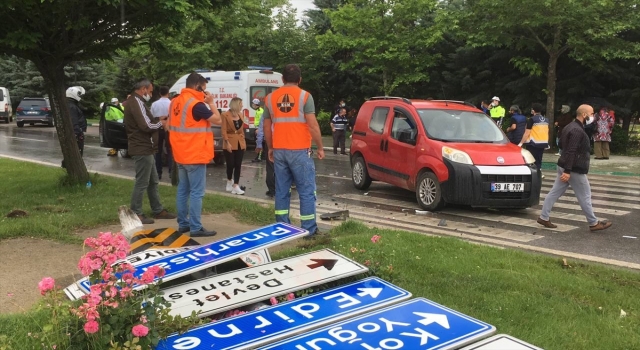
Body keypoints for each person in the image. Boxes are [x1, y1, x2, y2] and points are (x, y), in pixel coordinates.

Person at [263, 64, 325, 237]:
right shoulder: (305, 97)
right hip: (299, 151)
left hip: (280, 150)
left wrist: (270, 148)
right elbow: (312, 125)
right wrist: (320, 147)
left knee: (282, 190)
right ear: (300, 79)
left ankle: (282, 228)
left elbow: (267, 127)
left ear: (282, 79)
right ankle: (309, 230)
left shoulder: (269, 98)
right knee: (306, 191)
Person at [537, 104, 612, 232]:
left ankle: (543, 217)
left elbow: (561, 144)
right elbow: (571, 150)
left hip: (564, 165)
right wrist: (567, 171)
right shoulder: (577, 130)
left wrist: (565, 168)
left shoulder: (569, 126)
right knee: (585, 195)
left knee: (555, 192)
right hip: (573, 169)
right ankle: (593, 223)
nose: (593, 116)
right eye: (592, 113)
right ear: (584, 115)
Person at [168, 73, 222, 237]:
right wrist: (211, 103)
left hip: (180, 154)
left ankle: (183, 225)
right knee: (197, 192)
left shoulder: (175, 102)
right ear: (198, 85)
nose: (205, 90)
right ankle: (196, 227)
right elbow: (218, 120)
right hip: (195, 154)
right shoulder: (196, 105)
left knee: (183, 190)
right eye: (204, 86)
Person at [124, 78, 176, 225]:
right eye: (150, 91)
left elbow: (146, 121)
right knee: (142, 181)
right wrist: (161, 122)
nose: (151, 93)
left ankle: (158, 209)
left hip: (146, 147)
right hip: (141, 147)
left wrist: (157, 119)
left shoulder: (137, 102)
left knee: (153, 180)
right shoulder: (136, 102)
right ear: (143, 89)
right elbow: (145, 126)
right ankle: (136, 213)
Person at [221, 97, 247, 195]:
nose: (242, 105)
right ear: (236, 104)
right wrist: (227, 143)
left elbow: (241, 130)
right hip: (229, 141)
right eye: (241, 104)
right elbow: (223, 130)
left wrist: (243, 141)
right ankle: (229, 180)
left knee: (238, 164)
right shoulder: (225, 115)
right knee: (230, 164)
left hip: (240, 141)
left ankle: (236, 185)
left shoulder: (241, 115)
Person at [518, 103, 549, 176]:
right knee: (539, 159)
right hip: (543, 143)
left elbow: (527, 133)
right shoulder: (546, 120)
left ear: (533, 110)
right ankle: (539, 173)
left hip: (533, 143)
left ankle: (532, 175)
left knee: (531, 159)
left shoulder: (532, 119)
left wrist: (521, 143)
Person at [62, 86, 87, 169]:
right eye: (79, 95)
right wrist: (78, 132)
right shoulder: (72, 106)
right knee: (76, 154)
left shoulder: (70, 105)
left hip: (75, 133)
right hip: (76, 134)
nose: (80, 97)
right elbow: (73, 122)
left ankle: (70, 168)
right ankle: (73, 169)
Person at [151, 86, 173, 179]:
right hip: (169, 129)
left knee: (158, 151)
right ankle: (171, 172)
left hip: (157, 128)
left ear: (159, 93)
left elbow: (151, 117)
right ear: (168, 93)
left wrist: (158, 119)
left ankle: (158, 173)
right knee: (170, 150)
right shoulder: (172, 103)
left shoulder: (154, 104)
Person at [255, 114, 275, 198]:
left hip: (270, 141)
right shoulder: (283, 111)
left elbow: (261, 130)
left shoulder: (266, 113)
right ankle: (283, 188)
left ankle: (272, 190)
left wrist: (259, 144)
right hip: (283, 141)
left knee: (270, 166)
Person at [251, 98, 264, 162]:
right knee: (257, 143)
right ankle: (258, 156)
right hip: (257, 128)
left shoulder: (260, 111)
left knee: (259, 142)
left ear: (256, 104)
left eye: (253, 104)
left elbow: (262, 122)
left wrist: (258, 129)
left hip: (259, 128)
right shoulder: (258, 110)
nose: (252, 105)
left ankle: (259, 157)